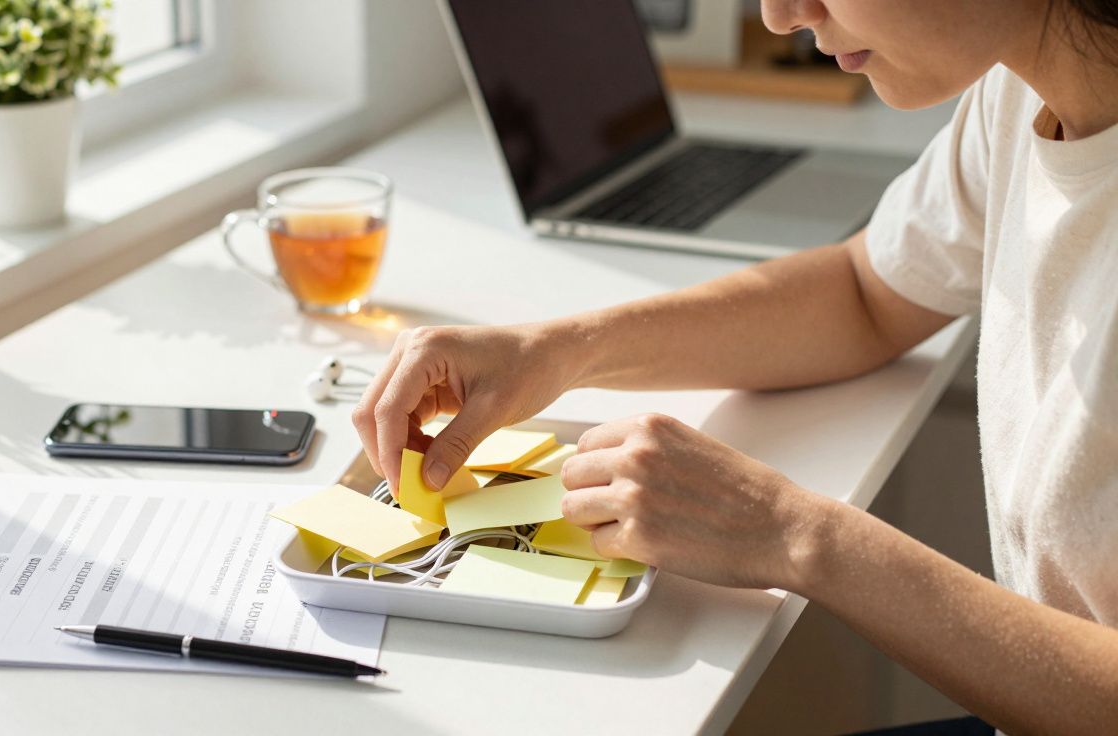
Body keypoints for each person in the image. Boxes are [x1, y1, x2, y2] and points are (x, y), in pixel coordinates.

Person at [354, 0, 1118, 733]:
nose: (781, 16)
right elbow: (865, 292)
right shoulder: (1017, 96)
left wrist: (791, 532)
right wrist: (554, 350)